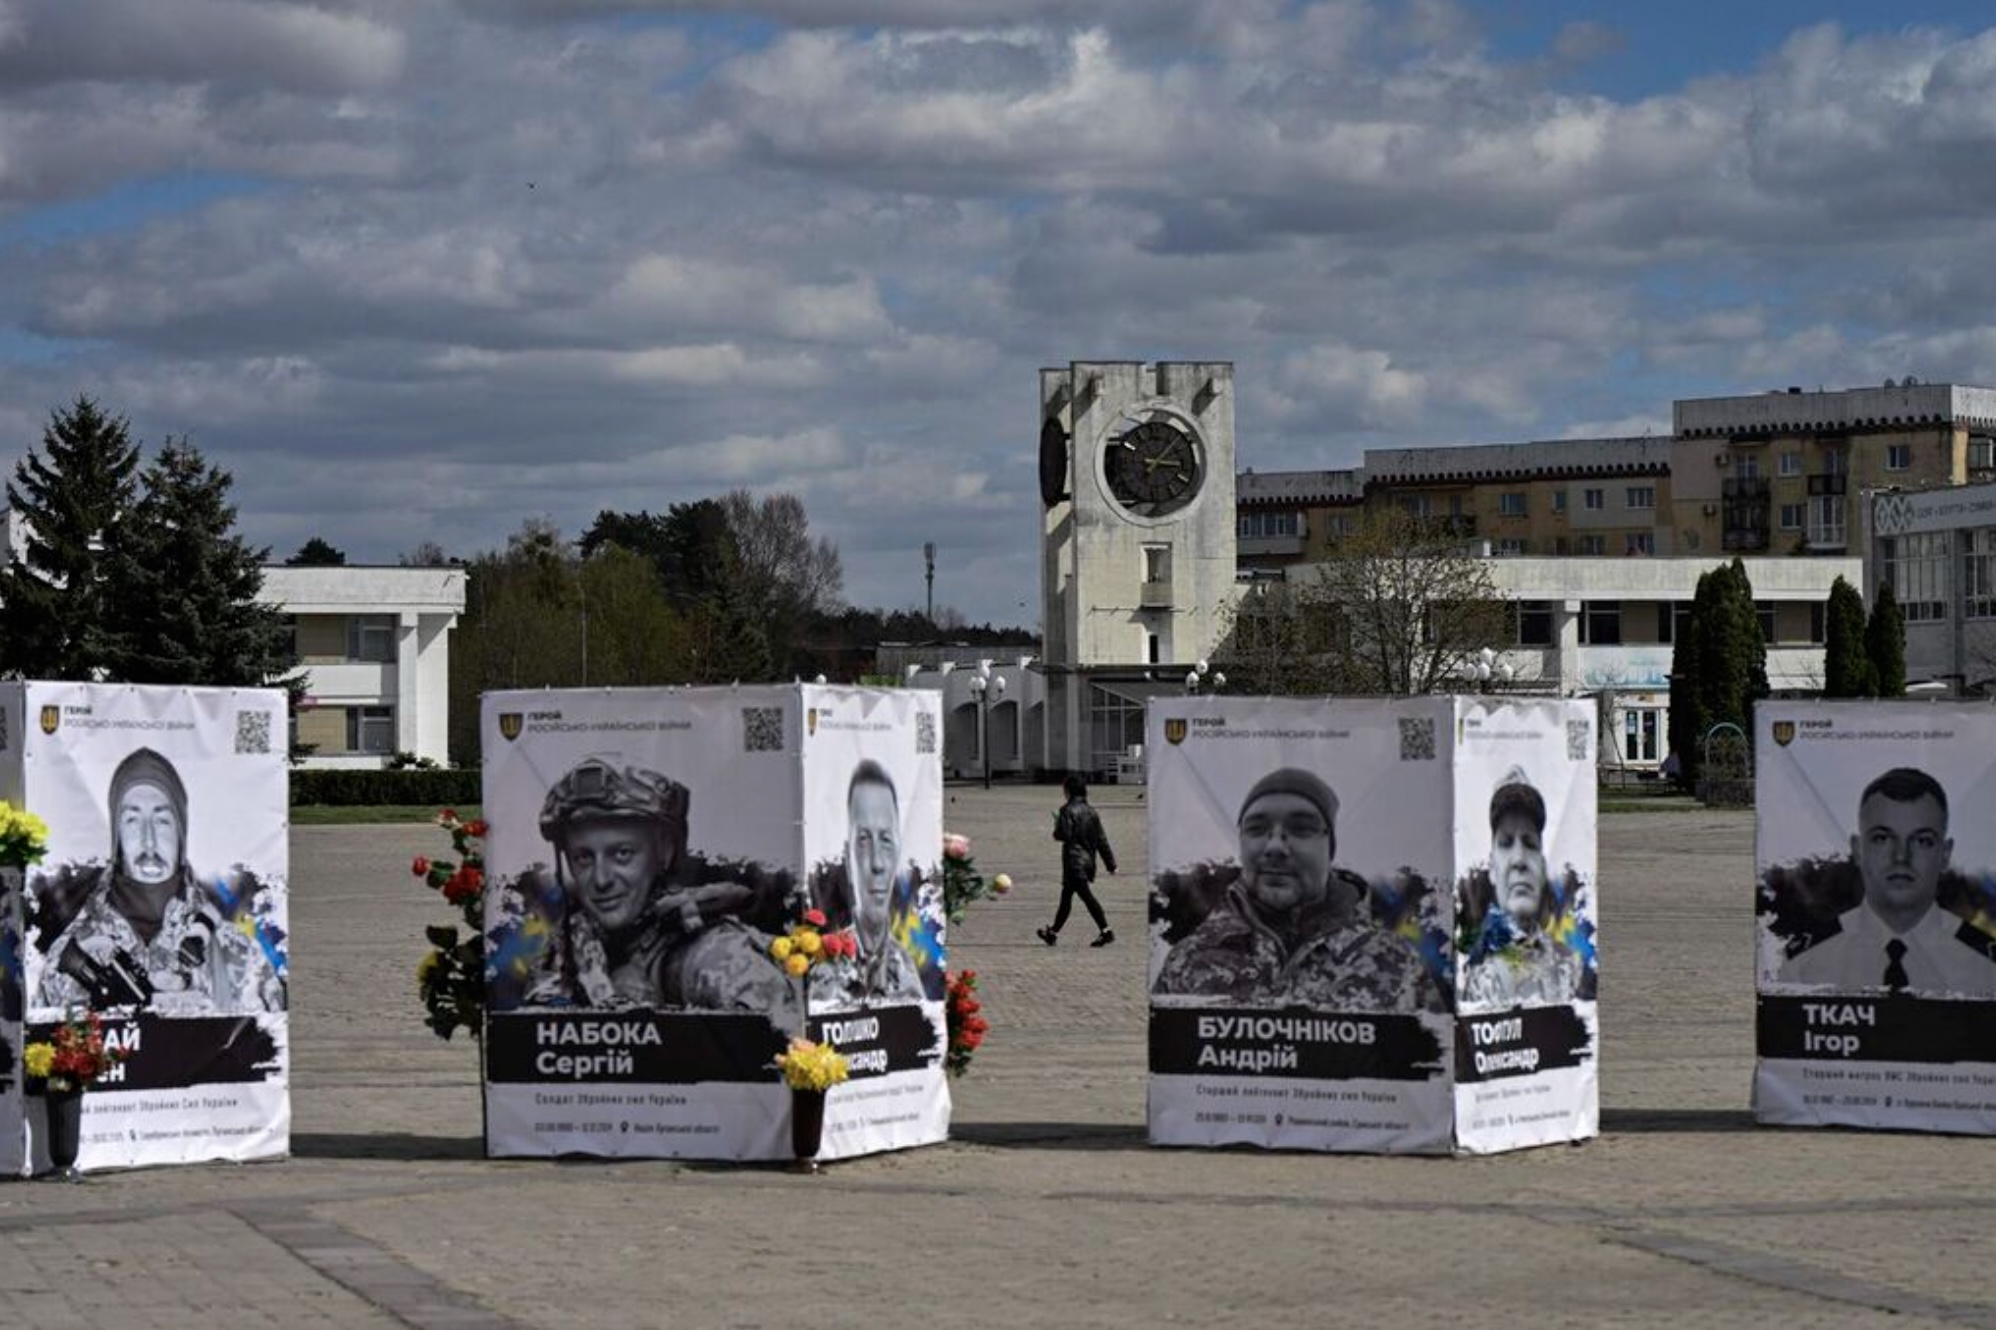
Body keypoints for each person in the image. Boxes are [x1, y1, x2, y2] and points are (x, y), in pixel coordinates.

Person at [1152, 767, 1443, 1011]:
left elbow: (1435, 1055)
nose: (1275, 846)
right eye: (1256, 829)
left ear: (1329, 848)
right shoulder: (1190, 958)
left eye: (1301, 829)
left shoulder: (1394, 962)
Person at [527, 757, 793, 1014]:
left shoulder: (720, 958)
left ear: (664, 852)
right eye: (583, 858)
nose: (601, 880)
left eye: (622, 854)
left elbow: (778, 1037)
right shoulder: (566, 951)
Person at [36, 747, 284, 1016]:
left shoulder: (236, 953)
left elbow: (271, 1038)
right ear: (116, 835)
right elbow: (40, 1039)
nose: (149, 841)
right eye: (132, 820)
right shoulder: (70, 953)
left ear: (181, 832)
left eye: (162, 821)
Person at [1779, 767, 1996, 995]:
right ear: (1858, 850)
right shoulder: (1803, 964)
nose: (1901, 856)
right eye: (1882, 838)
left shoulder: (1987, 966)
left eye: (1922, 841)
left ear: (1945, 854)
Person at [1460, 768, 1583, 1012]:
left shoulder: (1571, 970)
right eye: (1506, 844)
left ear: (1542, 868)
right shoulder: (1469, 972)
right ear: (1492, 869)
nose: (1519, 859)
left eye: (1530, 844)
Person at [811, 761, 926, 1007]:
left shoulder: (906, 968)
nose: (877, 863)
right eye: (863, 840)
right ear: (847, 856)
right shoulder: (826, 967)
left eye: (886, 840)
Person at [1039, 774, 1117, 948]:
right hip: (1087, 861)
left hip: (1074, 862)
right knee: (1066, 898)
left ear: (1068, 791)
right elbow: (1102, 840)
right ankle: (1052, 933)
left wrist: (1057, 826)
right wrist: (1110, 864)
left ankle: (1106, 931)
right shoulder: (1092, 812)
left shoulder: (1066, 810)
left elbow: (1063, 835)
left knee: (1087, 898)